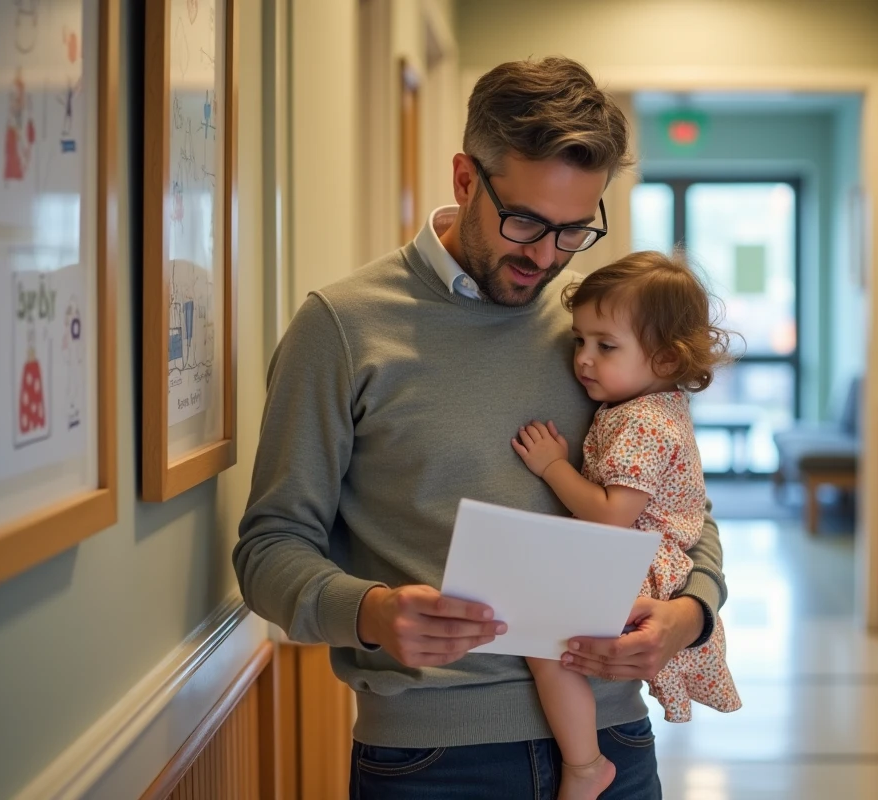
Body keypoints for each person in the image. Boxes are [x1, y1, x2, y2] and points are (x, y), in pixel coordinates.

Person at [234, 56, 730, 799]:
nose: (546, 256)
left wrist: (688, 615)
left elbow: (681, 505)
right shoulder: (342, 328)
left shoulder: (595, 327)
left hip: (613, 743)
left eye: (573, 231)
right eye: (526, 221)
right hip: (433, 761)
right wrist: (371, 613)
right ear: (466, 179)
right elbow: (269, 548)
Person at [512, 252, 742, 799]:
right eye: (579, 342)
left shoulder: (642, 421)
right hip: (633, 559)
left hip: (637, 567)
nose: (584, 360)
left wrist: (553, 468)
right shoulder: (649, 404)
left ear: (665, 358)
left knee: (546, 647)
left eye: (605, 346)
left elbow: (614, 515)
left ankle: (587, 765)